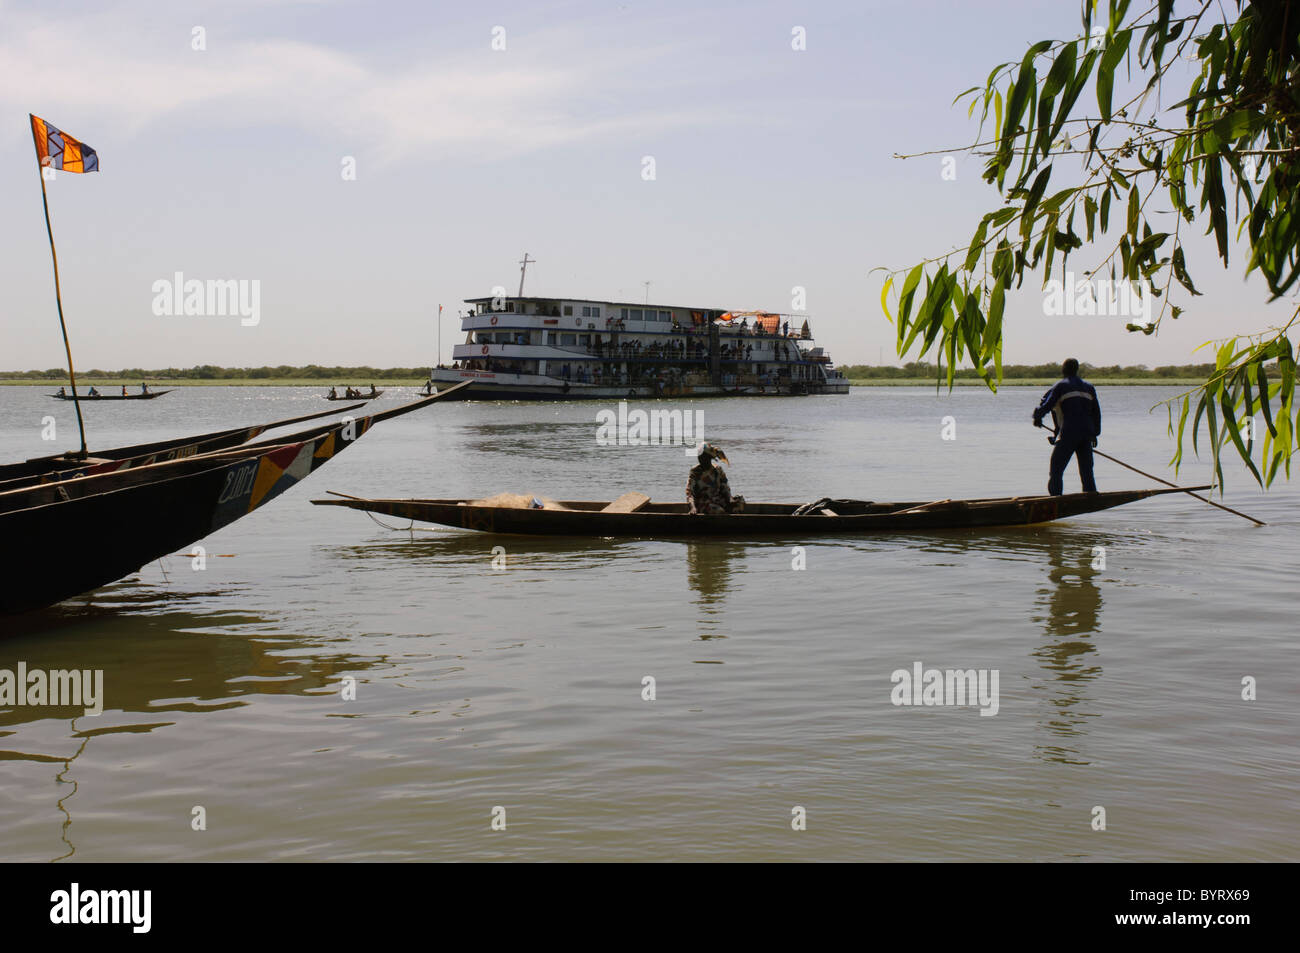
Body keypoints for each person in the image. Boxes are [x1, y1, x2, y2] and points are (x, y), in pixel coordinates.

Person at [1033, 358, 1101, 495]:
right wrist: (1095, 434)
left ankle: (1055, 499)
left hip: (1069, 433)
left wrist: (1037, 417)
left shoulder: (1061, 386)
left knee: (1056, 469)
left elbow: (1047, 404)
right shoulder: (1089, 387)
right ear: (1076, 370)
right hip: (1087, 433)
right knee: (1087, 471)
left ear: (1064, 369)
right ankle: (1091, 497)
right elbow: (1096, 413)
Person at [687, 443, 743, 514]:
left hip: (718, 501)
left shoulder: (718, 470)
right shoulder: (695, 471)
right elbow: (689, 493)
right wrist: (693, 508)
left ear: (709, 457)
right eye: (699, 456)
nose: (700, 458)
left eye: (702, 456)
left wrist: (730, 500)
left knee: (740, 502)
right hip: (704, 504)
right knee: (718, 511)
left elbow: (725, 488)